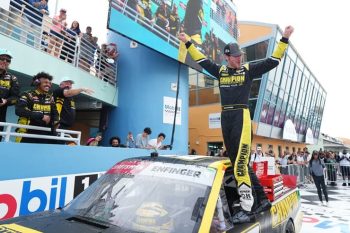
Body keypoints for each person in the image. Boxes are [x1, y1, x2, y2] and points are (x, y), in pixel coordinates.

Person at [178, 25, 294, 223]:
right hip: (226, 118)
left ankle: (247, 209)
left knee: (240, 165)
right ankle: (263, 201)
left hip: (241, 116)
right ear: (226, 57)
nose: (239, 58)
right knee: (239, 163)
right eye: (235, 56)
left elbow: (273, 61)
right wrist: (187, 42)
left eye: (240, 55)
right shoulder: (221, 71)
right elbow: (201, 59)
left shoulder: (247, 69)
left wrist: (284, 38)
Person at [15, 72, 59, 144]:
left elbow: (55, 113)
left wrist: (56, 122)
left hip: (45, 135)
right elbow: (19, 110)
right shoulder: (27, 95)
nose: (48, 85)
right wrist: (41, 116)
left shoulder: (50, 98)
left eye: (50, 83)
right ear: (37, 83)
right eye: (45, 82)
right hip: (26, 134)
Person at [0, 49, 20, 141]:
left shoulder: (13, 78)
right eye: (2, 58)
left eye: (8, 60)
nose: (5, 61)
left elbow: (15, 98)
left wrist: (5, 101)